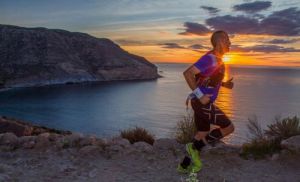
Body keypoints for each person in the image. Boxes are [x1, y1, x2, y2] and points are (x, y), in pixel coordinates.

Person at [177, 30, 235, 173]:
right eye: (227, 40)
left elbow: (206, 78)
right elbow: (188, 73)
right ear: (220, 41)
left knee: (202, 133)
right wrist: (201, 96)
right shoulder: (210, 58)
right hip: (201, 102)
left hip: (199, 102)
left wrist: (224, 84)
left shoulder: (219, 60)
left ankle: (183, 166)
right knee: (229, 127)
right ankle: (194, 148)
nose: (230, 43)